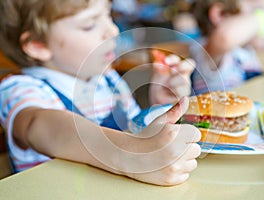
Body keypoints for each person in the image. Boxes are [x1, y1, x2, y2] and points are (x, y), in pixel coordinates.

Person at [0, 0, 201, 186]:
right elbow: (40, 125)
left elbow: (136, 134)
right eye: (89, 24)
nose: (112, 30)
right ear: (38, 44)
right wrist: (128, 154)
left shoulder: (108, 80)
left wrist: (160, 106)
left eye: (109, 14)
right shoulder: (20, 88)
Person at [190, 0, 264, 95]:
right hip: (215, 117)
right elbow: (225, 37)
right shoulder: (207, 50)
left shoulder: (244, 47)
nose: (262, 24)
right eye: (256, 12)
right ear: (220, 14)